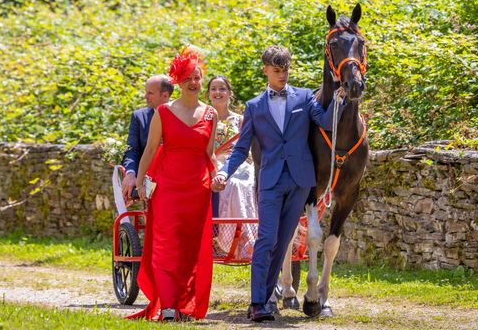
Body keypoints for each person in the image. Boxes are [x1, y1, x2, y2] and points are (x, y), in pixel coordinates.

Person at [212, 45, 345, 322]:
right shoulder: (254, 106)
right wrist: (225, 171)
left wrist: (338, 99)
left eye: (285, 70)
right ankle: (257, 302)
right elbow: (241, 148)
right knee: (266, 239)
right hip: (270, 181)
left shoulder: (304, 97)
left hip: (299, 181)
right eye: (276, 71)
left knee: (283, 240)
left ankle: (267, 297)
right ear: (265, 71)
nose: (282, 75)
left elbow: (325, 122)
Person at [128, 46, 218, 322]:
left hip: (198, 190)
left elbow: (209, 154)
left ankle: (185, 305)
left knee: (191, 250)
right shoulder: (164, 112)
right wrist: (141, 182)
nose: (194, 82)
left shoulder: (211, 115)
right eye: (188, 77)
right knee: (167, 246)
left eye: (198, 77)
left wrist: (220, 174)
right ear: (178, 81)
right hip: (167, 188)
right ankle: (168, 305)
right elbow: (150, 150)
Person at [207, 75, 257, 259]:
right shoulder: (204, 117)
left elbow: (247, 148)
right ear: (209, 93)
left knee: (244, 180)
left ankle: (246, 236)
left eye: (222, 89)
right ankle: (220, 239)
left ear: (230, 93)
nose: (217, 92)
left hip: (237, 162)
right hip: (212, 161)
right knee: (228, 183)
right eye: (213, 89)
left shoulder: (240, 120)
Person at [121, 75, 173, 202]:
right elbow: (132, 150)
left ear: (165, 95)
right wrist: (131, 173)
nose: (145, 96)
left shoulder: (182, 115)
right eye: (146, 92)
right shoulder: (139, 117)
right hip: (148, 179)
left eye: (150, 93)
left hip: (175, 177)